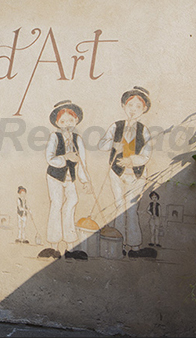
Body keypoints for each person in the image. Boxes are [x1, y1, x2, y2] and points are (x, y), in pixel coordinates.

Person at [99, 86, 156, 258]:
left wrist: (131, 161)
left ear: (144, 109)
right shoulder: (116, 126)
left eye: (138, 107)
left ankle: (135, 246)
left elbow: (147, 153)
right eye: (130, 105)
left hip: (137, 174)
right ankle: (119, 244)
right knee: (118, 207)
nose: (133, 110)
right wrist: (113, 145)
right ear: (124, 105)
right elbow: (102, 144)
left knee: (131, 209)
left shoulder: (143, 130)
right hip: (116, 172)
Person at [40, 100, 92, 260]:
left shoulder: (78, 139)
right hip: (55, 176)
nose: (67, 124)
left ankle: (70, 245)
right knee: (56, 203)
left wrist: (85, 181)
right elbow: (49, 158)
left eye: (70, 120)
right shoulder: (54, 137)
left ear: (76, 120)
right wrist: (65, 157)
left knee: (72, 202)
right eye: (63, 121)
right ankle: (53, 246)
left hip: (70, 177)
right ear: (57, 123)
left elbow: (82, 161)